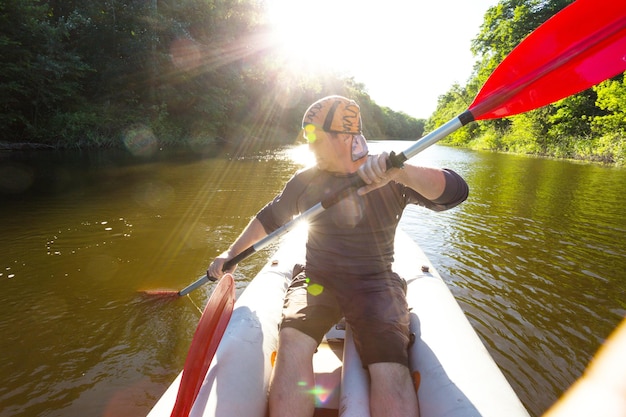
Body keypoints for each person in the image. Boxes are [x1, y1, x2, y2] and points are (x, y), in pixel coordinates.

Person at [208, 95, 469, 417]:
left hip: (376, 284)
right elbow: (270, 217)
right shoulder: (306, 180)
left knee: (389, 364)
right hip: (317, 279)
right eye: (307, 136)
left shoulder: (388, 174)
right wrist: (231, 253)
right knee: (292, 341)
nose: (309, 145)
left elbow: (455, 193)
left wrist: (401, 172)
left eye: (315, 137)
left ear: (345, 137)